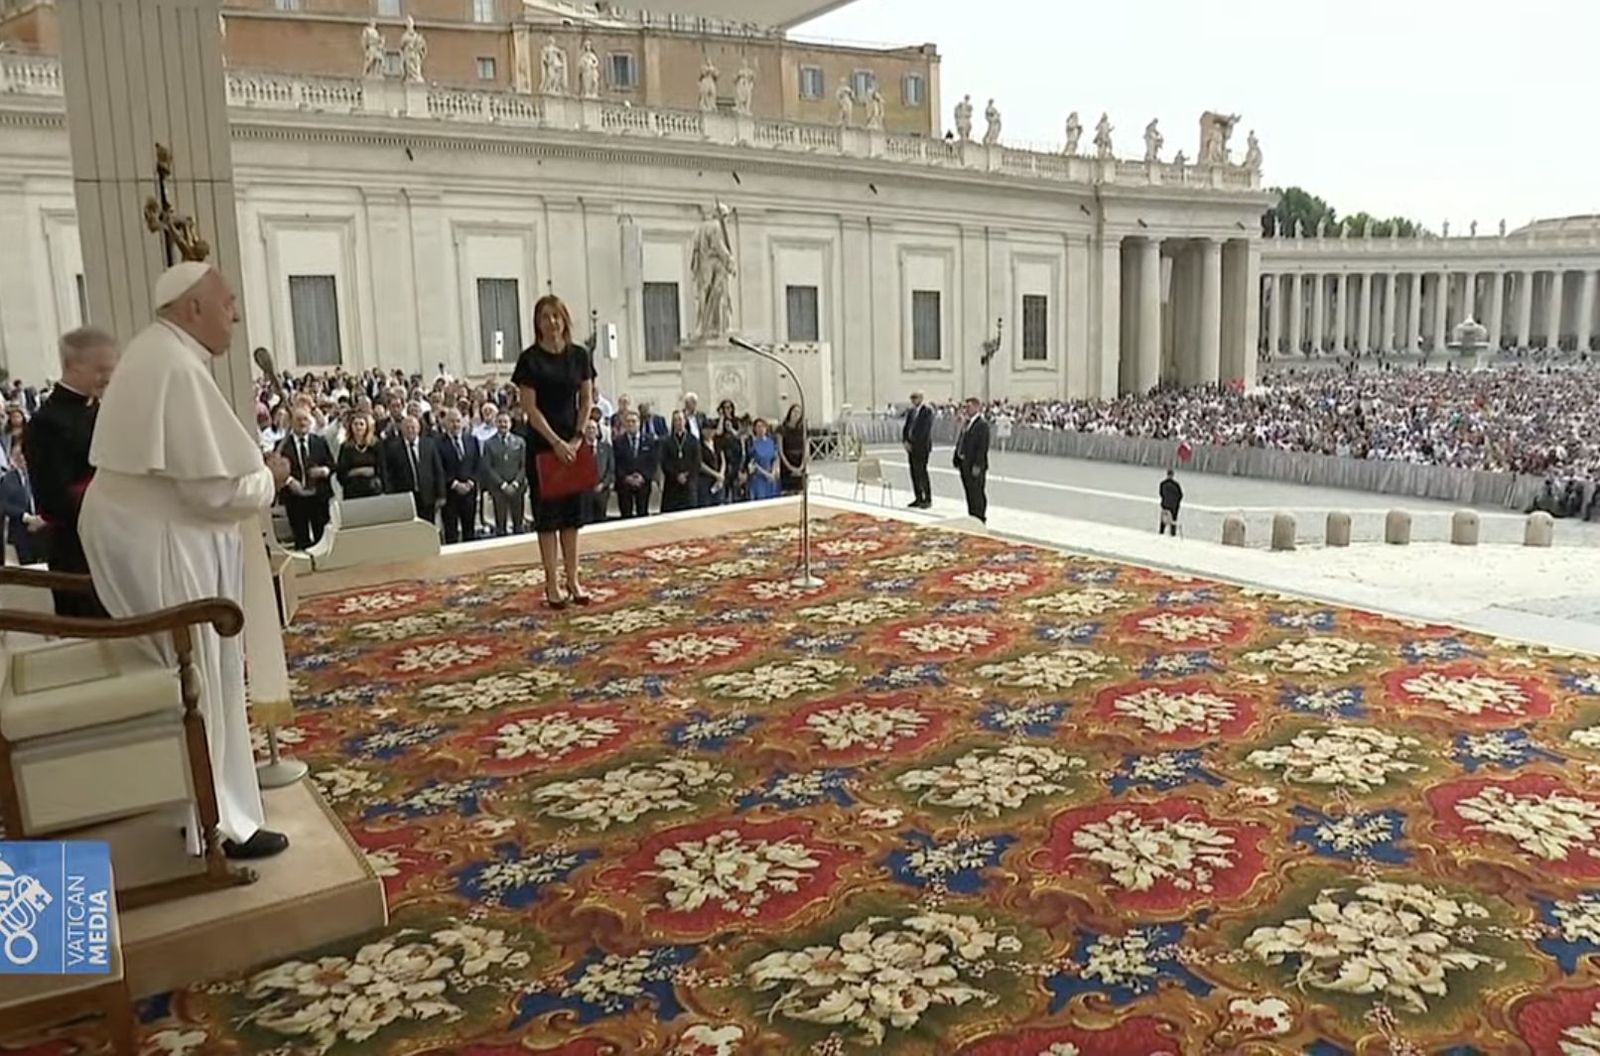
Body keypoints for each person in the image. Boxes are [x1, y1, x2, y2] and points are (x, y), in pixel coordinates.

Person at [80, 261, 296, 861]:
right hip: (164, 547)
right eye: (227, 303)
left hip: (149, 537)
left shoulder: (161, 353)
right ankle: (221, 822)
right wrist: (269, 480)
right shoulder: (173, 364)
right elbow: (212, 491)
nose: (235, 315)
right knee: (202, 678)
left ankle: (203, 809)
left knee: (202, 678)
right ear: (192, 308)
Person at [512, 294, 597, 609]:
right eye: (545, 317)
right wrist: (556, 442)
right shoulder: (529, 360)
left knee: (572, 517)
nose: (552, 322)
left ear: (565, 320)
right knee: (548, 518)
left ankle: (573, 579)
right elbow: (530, 409)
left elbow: (586, 400)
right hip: (543, 446)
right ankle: (551, 583)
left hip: (573, 443)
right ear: (537, 323)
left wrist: (576, 438)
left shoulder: (579, 356)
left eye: (556, 316)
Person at [26, 326, 118, 617]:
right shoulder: (45, 424)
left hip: (116, 546)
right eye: (100, 369)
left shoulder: (104, 411)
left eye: (111, 369)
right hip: (76, 554)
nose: (108, 377)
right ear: (71, 365)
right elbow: (54, 499)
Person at [277, 405, 336, 550]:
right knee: (301, 539)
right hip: (295, 498)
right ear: (291, 422)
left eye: (305, 419)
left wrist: (324, 471)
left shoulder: (320, 442)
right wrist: (290, 481)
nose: (302, 423)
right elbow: (276, 470)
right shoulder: (282, 445)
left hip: (318, 497)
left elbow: (332, 465)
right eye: (298, 420)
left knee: (322, 539)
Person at [382, 414, 446, 526]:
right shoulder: (393, 448)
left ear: (418, 429)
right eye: (407, 428)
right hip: (405, 498)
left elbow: (438, 470)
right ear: (402, 430)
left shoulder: (429, 444)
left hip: (427, 496)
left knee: (428, 527)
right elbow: (389, 474)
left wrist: (441, 494)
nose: (410, 430)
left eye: (413, 427)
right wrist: (391, 495)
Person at [438, 408, 481, 545]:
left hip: (469, 492)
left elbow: (478, 463)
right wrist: (455, 484)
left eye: (458, 421)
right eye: (452, 421)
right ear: (445, 424)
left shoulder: (472, 440)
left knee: (469, 532)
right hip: (450, 494)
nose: (455, 425)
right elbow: (439, 468)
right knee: (451, 533)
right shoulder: (438, 443)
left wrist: (471, 482)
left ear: (463, 422)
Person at [0, 441, 48, 565]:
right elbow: (4, 505)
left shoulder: (37, 476)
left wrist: (41, 518)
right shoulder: (8, 479)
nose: (23, 458)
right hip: (20, 532)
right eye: (19, 455)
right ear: (14, 458)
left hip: (40, 529)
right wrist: (25, 517)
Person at [481, 413, 528, 535]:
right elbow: (488, 467)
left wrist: (515, 483)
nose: (503, 424)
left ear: (510, 424)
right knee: (500, 525)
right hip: (498, 488)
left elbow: (524, 466)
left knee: (518, 525)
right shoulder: (489, 444)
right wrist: (503, 485)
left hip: (517, 487)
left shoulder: (520, 442)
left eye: (505, 422)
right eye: (500, 422)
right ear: (496, 424)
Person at [952, 396, 990, 522]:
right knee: (969, 492)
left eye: (969, 407)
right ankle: (972, 515)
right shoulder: (966, 423)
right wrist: (957, 457)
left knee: (977, 492)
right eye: (965, 407)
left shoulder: (982, 425)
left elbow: (982, 447)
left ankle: (980, 516)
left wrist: (978, 465)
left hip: (975, 465)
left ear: (976, 407)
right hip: (964, 464)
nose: (966, 410)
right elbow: (961, 441)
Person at [614, 409, 656, 518]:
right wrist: (626, 477)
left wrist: (643, 476)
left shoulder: (649, 441)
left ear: (639, 423)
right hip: (624, 484)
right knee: (626, 515)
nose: (631, 424)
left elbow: (652, 462)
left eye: (633, 421)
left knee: (642, 514)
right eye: (628, 421)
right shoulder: (618, 441)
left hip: (643, 483)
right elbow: (616, 463)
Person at [335, 411, 386, 500]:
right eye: (355, 424)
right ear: (351, 426)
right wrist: (360, 471)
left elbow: (382, 467)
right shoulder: (345, 447)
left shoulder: (376, 444)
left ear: (367, 426)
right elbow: (341, 472)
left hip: (373, 490)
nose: (358, 427)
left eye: (361, 424)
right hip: (352, 491)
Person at [659, 410, 698, 512]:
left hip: (688, 484)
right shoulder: (666, 441)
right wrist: (676, 475)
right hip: (672, 484)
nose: (678, 422)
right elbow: (664, 462)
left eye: (680, 419)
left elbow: (697, 461)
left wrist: (686, 475)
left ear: (685, 421)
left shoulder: (693, 440)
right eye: (675, 420)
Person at [902, 389, 934, 508]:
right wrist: (905, 441)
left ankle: (927, 498)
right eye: (912, 398)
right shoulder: (911, 412)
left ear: (921, 398)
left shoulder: (927, 411)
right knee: (914, 473)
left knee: (922, 472)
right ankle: (918, 497)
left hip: (922, 447)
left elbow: (925, 430)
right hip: (911, 448)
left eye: (915, 398)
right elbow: (907, 427)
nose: (913, 400)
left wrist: (914, 443)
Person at [583, 420, 614, 525]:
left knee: (601, 521)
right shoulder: (579, 449)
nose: (591, 430)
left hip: (602, 489)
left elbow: (611, 470)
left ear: (597, 431)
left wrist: (603, 484)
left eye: (593, 428)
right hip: (585, 491)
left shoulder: (606, 447)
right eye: (588, 428)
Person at [747, 417, 781, 501]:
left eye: (763, 426)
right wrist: (766, 474)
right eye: (758, 427)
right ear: (755, 429)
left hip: (771, 477)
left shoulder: (771, 442)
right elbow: (753, 463)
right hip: (759, 479)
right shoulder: (752, 444)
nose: (761, 429)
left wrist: (773, 472)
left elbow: (775, 458)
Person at [777, 403, 807, 494]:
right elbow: (780, 451)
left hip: (799, 462)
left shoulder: (803, 429)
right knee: (788, 492)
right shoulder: (782, 429)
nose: (796, 414)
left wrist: (801, 466)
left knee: (800, 492)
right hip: (787, 462)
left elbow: (806, 448)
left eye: (799, 412)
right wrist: (790, 467)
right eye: (794, 411)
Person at [697, 416, 727, 507]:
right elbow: (700, 464)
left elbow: (723, 460)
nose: (710, 432)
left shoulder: (717, 443)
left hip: (718, 481)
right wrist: (715, 474)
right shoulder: (699, 445)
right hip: (705, 480)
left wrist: (721, 474)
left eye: (712, 429)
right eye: (707, 429)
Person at [1159, 469, 1184, 536]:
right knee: (1173, 521)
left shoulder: (1162, 484)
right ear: (1173, 475)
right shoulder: (1176, 485)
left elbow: (1161, 494)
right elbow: (1180, 495)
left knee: (1163, 521)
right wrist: (1176, 502)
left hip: (1165, 505)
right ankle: (1173, 534)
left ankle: (1161, 533)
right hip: (1174, 507)